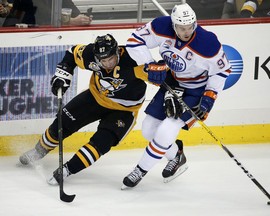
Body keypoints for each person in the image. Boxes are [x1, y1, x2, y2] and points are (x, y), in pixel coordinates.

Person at [19, 34, 167, 184]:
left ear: (117, 52)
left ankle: (67, 169)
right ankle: (39, 151)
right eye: (103, 60)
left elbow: (162, 78)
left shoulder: (134, 60)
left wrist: (163, 73)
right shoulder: (90, 54)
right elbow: (72, 53)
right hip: (95, 97)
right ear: (97, 58)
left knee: (102, 142)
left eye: (111, 59)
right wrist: (63, 75)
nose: (108, 63)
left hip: (124, 110)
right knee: (62, 123)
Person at [122, 3, 231, 188]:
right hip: (172, 83)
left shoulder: (207, 43)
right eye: (181, 28)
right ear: (174, 25)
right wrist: (149, 64)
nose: (186, 31)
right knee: (149, 129)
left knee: (166, 130)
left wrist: (209, 97)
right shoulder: (161, 26)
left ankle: (140, 170)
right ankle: (176, 156)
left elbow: (222, 70)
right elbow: (134, 41)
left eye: (190, 27)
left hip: (196, 90)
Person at [2, 0, 92, 27]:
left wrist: (83, 18)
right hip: (16, 32)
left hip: (40, 32)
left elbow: (70, 7)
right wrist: (70, 21)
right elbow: (41, 11)